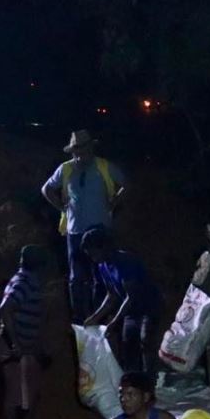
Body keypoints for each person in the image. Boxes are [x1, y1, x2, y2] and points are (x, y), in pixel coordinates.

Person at [41, 129, 126, 323]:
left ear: (91, 148)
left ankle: (100, 316)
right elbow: (46, 189)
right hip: (75, 231)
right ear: (73, 151)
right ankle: (79, 318)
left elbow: (125, 183)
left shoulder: (104, 166)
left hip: (100, 231)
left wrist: (114, 201)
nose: (83, 152)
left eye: (86, 148)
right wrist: (61, 207)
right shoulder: (65, 169)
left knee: (101, 275)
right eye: (79, 149)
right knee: (77, 278)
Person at [81, 227, 162, 373]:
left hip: (148, 306)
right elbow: (111, 295)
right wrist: (94, 318)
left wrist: (115, 321)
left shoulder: (125, 261)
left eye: (94, 253)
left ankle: (150, 381)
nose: (93, 258)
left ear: (104, 247)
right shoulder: (103, 266)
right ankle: (133, 381)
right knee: (128, 344)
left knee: (145, 340)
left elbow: (132, 296)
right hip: (132, 311)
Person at [0, 244, 49, 419]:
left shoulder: (26, 280)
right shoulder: (24, 282)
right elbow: (5, 308)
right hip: (14, 347)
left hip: (24, 347)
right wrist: (15, 342)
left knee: (31, 393)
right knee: (15, 395)